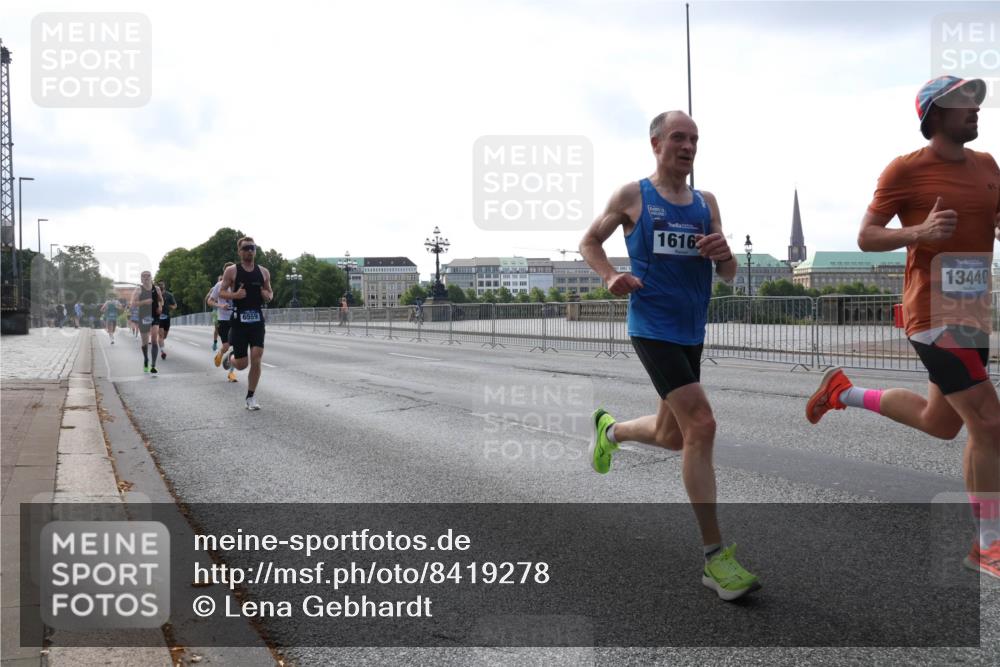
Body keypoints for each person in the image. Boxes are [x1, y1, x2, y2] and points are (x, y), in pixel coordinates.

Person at [807, 76, 1000, 580]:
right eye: (963, 102)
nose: (976, 109)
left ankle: (842, 393)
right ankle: (989, 544)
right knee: (989, 423)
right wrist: (919, 231)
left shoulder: (987, 166)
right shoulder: (906, 169)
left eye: (977, 101)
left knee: (945, 423)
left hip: (973, 313)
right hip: (933, 314)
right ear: (934, 115)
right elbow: (867, 235)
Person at [579, 110, 759, 600]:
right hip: (652, 326)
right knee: (702, 424)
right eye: (678, 137)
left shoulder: (706, 203)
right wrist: (610, 275)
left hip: (691, 330)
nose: (688, 146)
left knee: (672, 436)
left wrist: (724, 253)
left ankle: (610, 431)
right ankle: (715, 559)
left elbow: (728, 274)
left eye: (694, 139)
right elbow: (589, 241)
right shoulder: (633, 196)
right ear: (656, 143)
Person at [221, 238, 273, 409]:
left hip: (257, 320)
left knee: (256, 357)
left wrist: (267, 295)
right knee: (243, 365)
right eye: (246, 248)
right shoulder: (232, 271)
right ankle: (231, 359)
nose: (250, 250)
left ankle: (251, 397)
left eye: (252, 248)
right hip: (239, 321)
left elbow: (270, 292)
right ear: (239, 251)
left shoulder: (263, 272)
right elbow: (221, 292)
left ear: (255, 250)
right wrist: (235, 295)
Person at [207, 266, 238, 382]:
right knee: (226, 346)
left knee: (238, 347)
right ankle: (220, 353)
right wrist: (220, 306)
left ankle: (231, 373)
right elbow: (209, 301)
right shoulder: (219, 285)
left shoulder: (239, 284)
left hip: (236, 319)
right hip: (223, 319)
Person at [130, 271, 163, 374]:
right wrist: (144, 302)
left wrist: (160, 307)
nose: (146, 278)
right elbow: (133, 304)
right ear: (141, 279)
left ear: (151, 277)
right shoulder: (138, 290)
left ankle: (153, 365)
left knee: (154, 340)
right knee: (144, 343)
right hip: (143, 317)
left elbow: (161, 300)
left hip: (154, 316)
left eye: (148, 276)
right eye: (143, 276)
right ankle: (146, 359)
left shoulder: (156, 289)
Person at [156, 281, 177, 359]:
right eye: (159, 285)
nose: (160, 286)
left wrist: (169, 306)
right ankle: (162, 351)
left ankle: (160, 342)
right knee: (161, 335)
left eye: (162, 284)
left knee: (164, 336)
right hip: (158, 317)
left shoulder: (169, 295)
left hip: (167, 317)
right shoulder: (155, 295)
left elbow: (175, 305)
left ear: (164, 285)